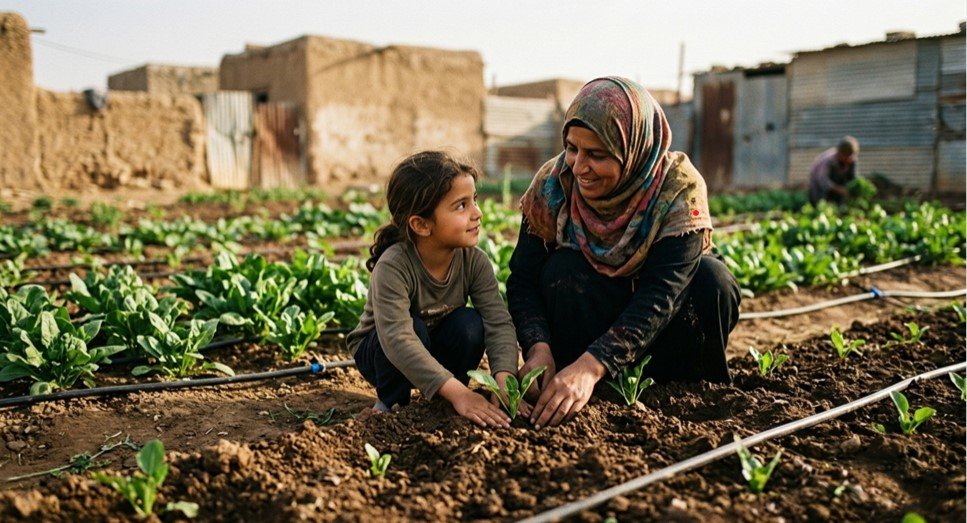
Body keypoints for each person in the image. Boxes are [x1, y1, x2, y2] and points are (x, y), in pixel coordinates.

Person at [506, 77, 741, 429]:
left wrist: (592, 366)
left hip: (660, 329)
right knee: (561, 270)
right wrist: (538, 347)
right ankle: (577, 385)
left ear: (633, 150)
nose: (578, 166)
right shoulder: (554, 183)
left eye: (597, 154)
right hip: (591, 320)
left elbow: (662, 294)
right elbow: (523, 279)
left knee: (712, 281)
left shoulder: (678, 188)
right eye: (572, 148)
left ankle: (688, 390)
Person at [346, 151, 522, 428]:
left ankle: (445, 395)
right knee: (411, 329)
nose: (478, 213)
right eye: (461, 206)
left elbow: (498, 322)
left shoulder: (474, 261)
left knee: (470, 324)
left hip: (434, 342)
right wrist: (462, 394)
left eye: (474, 200)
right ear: (421, 225)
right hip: (381, 352)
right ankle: (391, 404)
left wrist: (505, 378)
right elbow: (397, 339)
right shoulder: (394, 265)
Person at [808, 136, 859, 205]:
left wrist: (850, 189)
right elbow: (823, 181)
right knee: (819, 201)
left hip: (837, 182)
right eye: (846, 157)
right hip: (817, 182)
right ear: (840, 153)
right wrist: (839, 189)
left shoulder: (852, 161)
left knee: (839, 202)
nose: (849, 159)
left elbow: (853, 179)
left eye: (851, 157)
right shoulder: (828, 161)